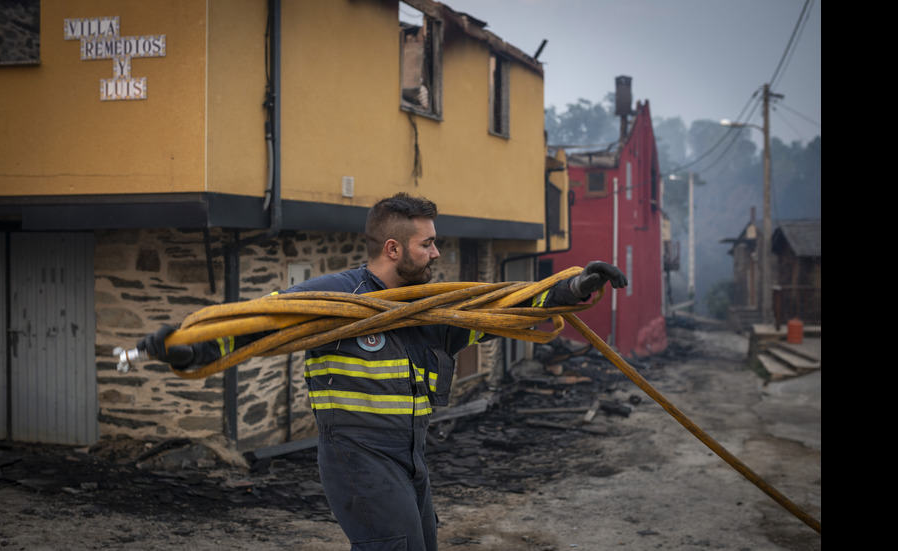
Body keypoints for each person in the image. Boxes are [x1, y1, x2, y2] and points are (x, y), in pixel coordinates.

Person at [139, 192, 627, 550]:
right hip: (358, 455)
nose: (437, 254)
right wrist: (189, 349)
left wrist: (573, 287)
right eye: (428, 245)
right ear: (393, 249)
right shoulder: (334, 298)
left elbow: (501, 310)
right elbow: (255, 326)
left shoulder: (433, 309)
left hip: (412, 456)